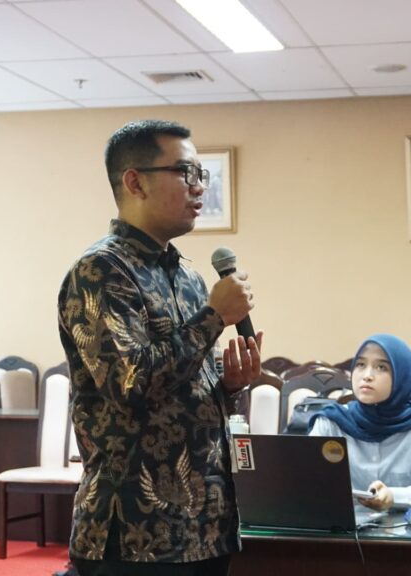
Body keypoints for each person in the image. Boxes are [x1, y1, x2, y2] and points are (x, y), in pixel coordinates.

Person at [58, 119, 263, 576]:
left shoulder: (189, 277)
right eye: (186, 173)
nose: (199, 187)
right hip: (136, 533)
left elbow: (179, 389)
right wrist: (215, 317)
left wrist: (228, 385)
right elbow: (130, 385)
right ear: (136, 182)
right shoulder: (100, 271)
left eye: (201, 174)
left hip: (204, 525)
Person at [309, 334, 411, 512]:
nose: (367, 376)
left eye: (381, 367)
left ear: (402, 376)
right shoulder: (332, 421)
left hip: (409, 528)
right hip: (342, 527)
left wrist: (395, 497)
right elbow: (302, 481)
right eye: (360, 365)